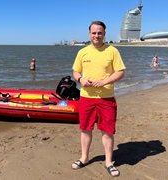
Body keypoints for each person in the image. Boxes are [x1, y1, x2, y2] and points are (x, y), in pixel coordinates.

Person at [71, 20, 126, 177]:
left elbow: (120, 71)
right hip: (86, 97)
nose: (96, 35)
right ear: (89, 34)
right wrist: (80, 80)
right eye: (94, 33)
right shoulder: (82, 52)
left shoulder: (112, 51)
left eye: (99, 33)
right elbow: (75, 72)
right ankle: (84, 158)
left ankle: (109, 162)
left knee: (107, 131)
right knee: (85, 129)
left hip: (106, 98)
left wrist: (104, 82)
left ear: (104, 34)